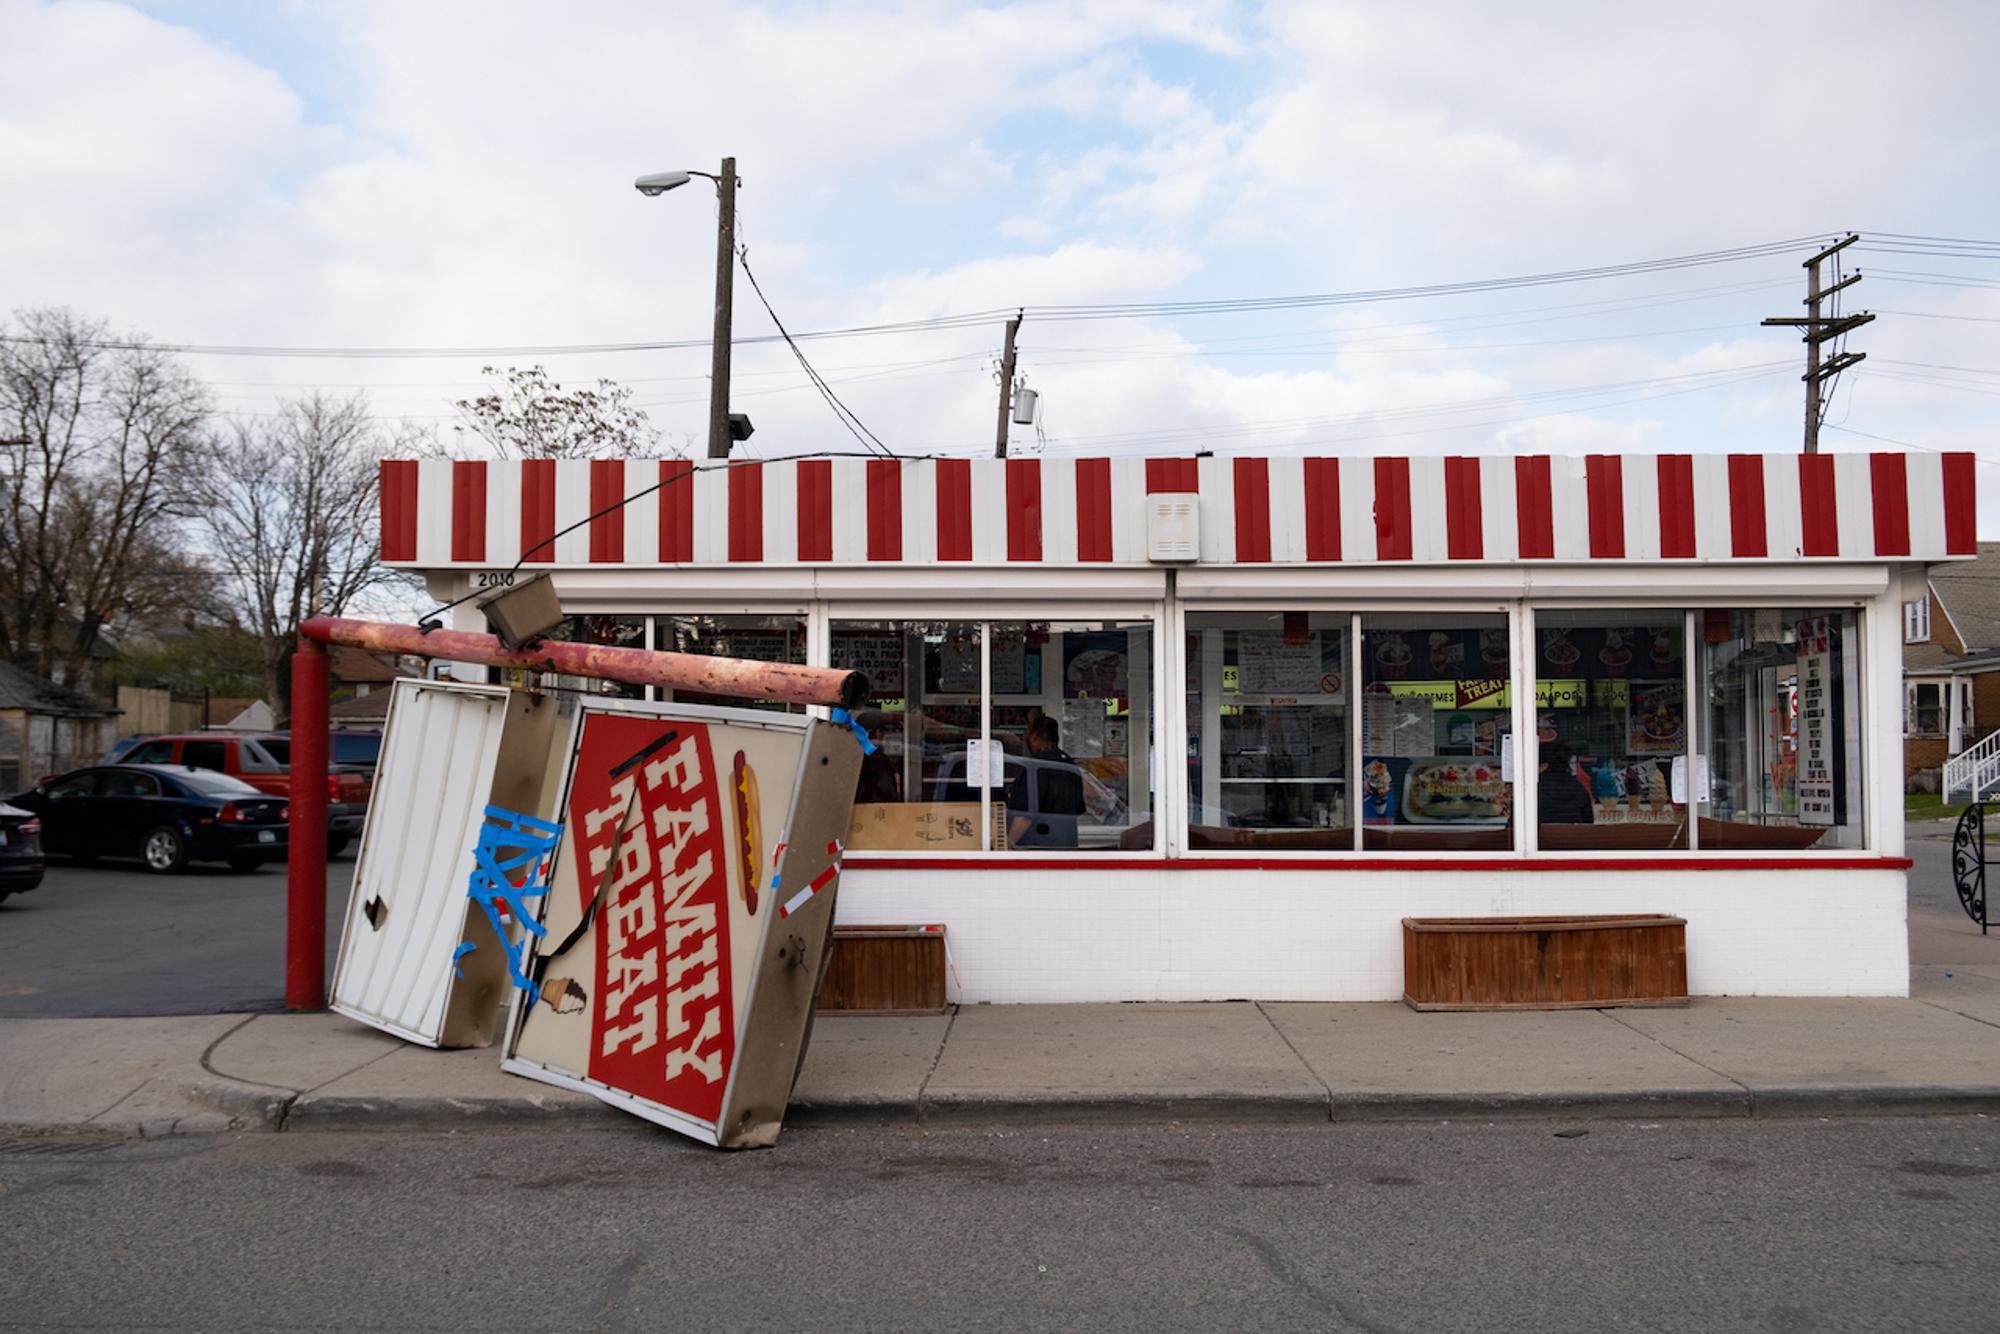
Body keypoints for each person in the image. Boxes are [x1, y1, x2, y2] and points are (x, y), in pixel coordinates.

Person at [1007, 714, 1087, 848]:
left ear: (1035, 738)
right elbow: (1078, 808)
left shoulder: (1036, 768)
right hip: (1067, 846)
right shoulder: (1070, 766)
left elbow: (1024, 816)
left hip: (1039, 848)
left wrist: (1007, 844)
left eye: (1027, 734)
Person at [1537, 739, 1596, 825]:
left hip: (1542, 838)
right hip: (1574, 837)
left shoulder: (1533, 791)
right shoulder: (1579, 788)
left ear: (1544, 765)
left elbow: (1515, 825)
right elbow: (1588, 822)